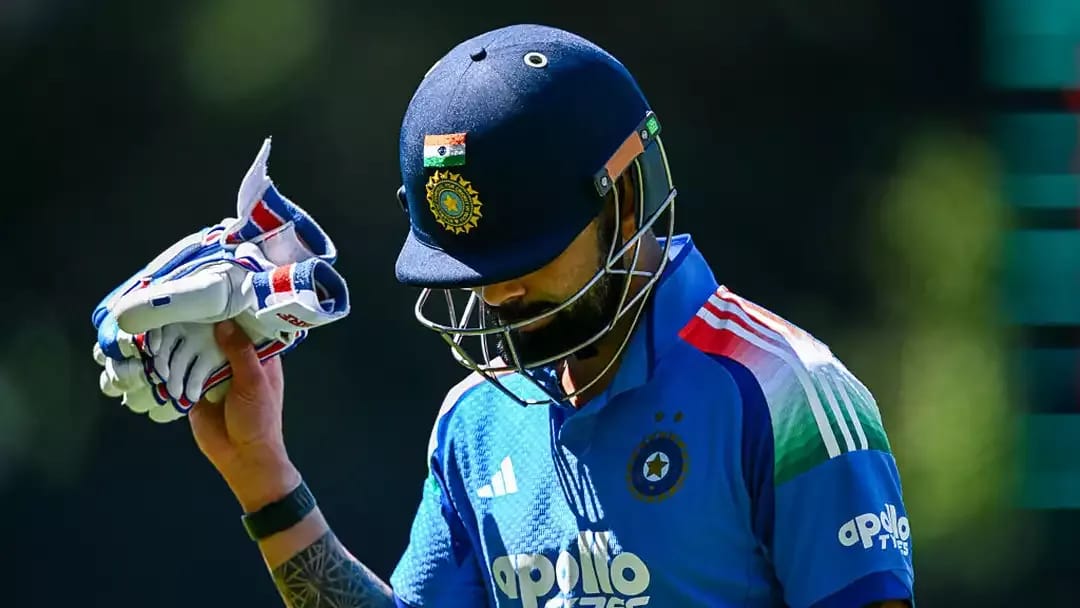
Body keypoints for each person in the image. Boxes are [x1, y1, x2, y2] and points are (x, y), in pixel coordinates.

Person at [183, 23, 915, 608]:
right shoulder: (473, 421)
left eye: (525, 257)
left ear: (624, 203)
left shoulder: (786, 394)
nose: (497, 296)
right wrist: (262, 477)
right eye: (476, 270)